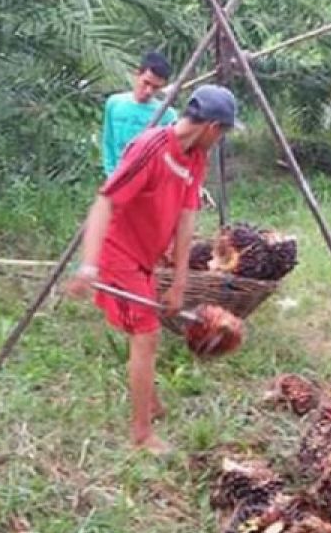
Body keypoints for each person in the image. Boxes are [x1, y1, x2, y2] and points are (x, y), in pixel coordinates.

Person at [67, 85, 242, 454]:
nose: (221, 139)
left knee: (150, 330)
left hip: (146, 257)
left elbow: (186, 218)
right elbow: (105, 202)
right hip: (119, 254)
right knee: (145, 335)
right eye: (223, 132)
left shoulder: (196, 157)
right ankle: (141, 435)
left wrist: (179, 280)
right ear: (211, 126)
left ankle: (151, 402)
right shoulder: (150, 147)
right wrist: (89, 263)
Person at [101, 51, 177, 177]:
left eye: (155, 87)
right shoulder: (114, 103)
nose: (148, 91)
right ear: (138, 75)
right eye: (146, 83)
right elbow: (108, 142)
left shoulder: (167, 115)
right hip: (116, 181)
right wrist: (111, 175)